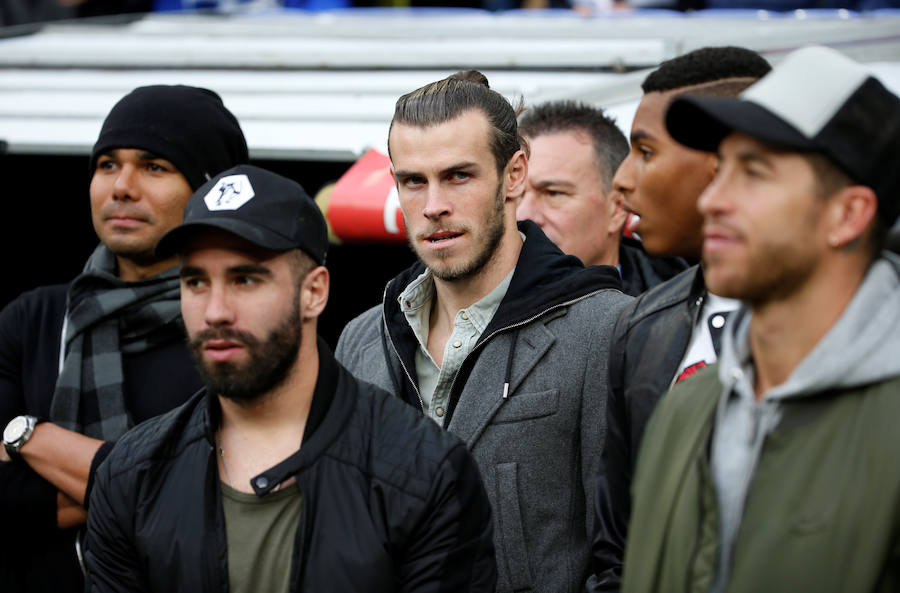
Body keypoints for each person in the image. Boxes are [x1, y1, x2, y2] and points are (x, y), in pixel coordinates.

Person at [83, 165, 497, 592]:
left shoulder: (425, 473)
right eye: (196, 282)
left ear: (314, 292)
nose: (215, 311)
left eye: (245, 279)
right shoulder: (132, 474)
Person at [336, 70, 631, 593]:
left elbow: (626, 556)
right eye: (413, 181)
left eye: (458, 176)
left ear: (514, 175)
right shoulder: (361, 340)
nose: (433, 206)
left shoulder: (604, 328)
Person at [623, 44, 900, 593]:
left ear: (848, 214)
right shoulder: (685, 408)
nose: (712, 200)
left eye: (754, 173)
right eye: (720, 168)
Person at [0, 85, 248, 593]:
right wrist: (144, 480)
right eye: (107, 164)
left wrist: (30, 436)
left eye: (154, 167)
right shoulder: (34, 320)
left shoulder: (241, 329)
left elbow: (222, 499)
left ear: (209, 190)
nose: (122, 187)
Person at [588, 46, 771, 591]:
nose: (620, 180)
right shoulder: (642, 329)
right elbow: (617, 548)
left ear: (728, 161)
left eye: (645, 151)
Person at [517, 100, 688, 296]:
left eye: (553, 193)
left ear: (617, 209)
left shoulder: (685, 310)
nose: (522, 215)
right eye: (515, 194)